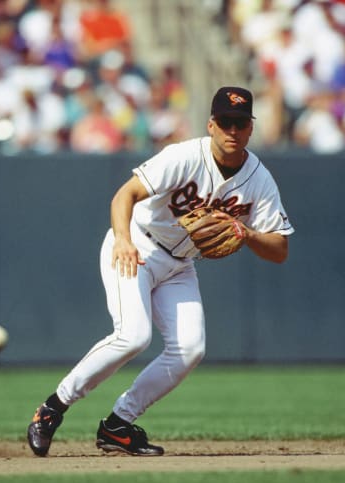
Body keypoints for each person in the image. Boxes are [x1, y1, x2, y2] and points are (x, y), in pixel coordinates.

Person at [27, 86, 295, 457]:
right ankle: (51, 410)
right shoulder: (185, 155)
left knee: (189, 349)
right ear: (212, 124)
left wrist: (247, 234)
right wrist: (122, 239)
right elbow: (125, 194)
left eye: (241, 123)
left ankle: (117, 426)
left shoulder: (259, 180)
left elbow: (279, 249)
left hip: (181, 264)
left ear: (251, 128)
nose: (233, 131)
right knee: (132, 337)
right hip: (139, 245)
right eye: (226, 122)